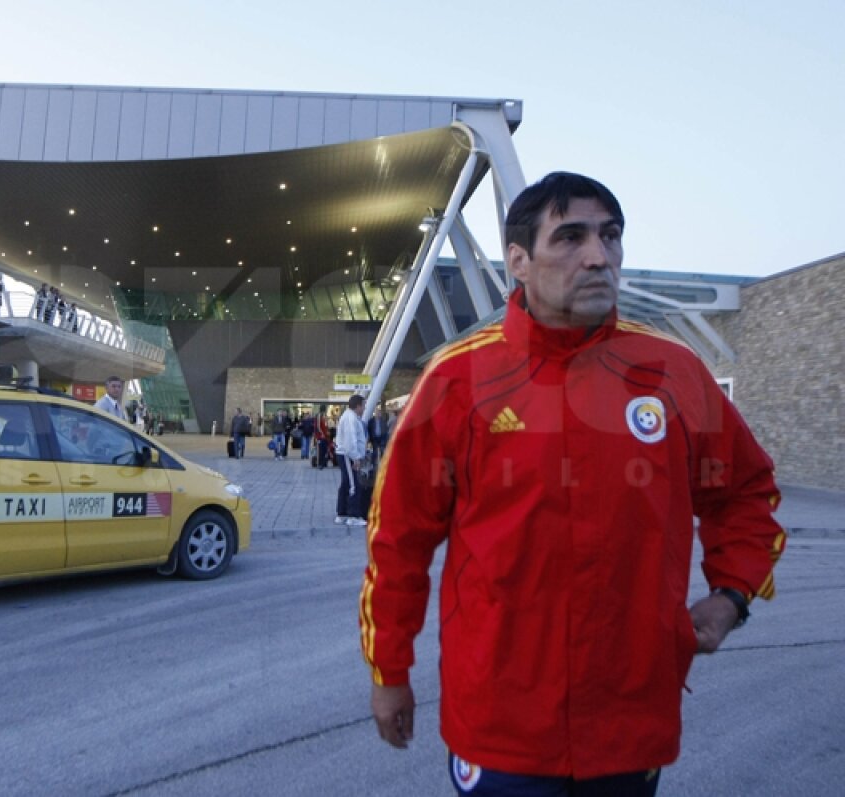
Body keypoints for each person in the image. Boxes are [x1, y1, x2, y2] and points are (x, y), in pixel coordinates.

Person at [360, 172, 786, 796]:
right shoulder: (456, 382)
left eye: (610, 237)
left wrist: (730, 600)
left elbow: (748, 493)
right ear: (519, 262)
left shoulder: (672, 373)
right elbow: (398, 541)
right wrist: (388, 670)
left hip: (629, 721)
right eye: (571, 237)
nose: (599, 256)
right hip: (500, 723)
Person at [334, 394, 369, 526]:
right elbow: (350, 440)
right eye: (364, 405)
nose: (365, 408)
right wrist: (355, 458)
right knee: (354, 485)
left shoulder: (351, 417)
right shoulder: (350, 418)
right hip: (348, 455)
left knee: (346, 483)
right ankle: (353, 515)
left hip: (346, 454)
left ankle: (342, 513)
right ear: (358, 405)